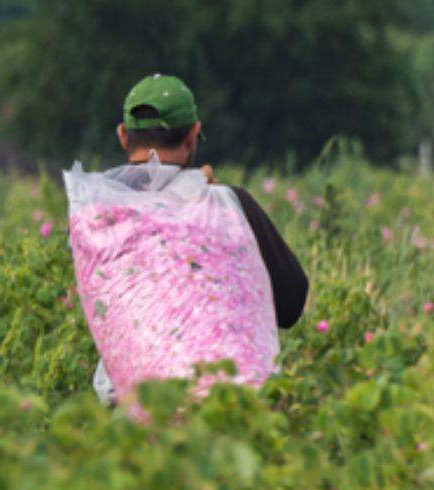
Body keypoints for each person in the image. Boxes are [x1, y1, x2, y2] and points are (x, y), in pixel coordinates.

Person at [78, 73, 309, 404]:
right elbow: (290, 302)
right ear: (194, 135)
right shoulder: (231, 205)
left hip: (133, 408)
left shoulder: (97, 218)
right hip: (231, 403)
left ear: (122, 136)